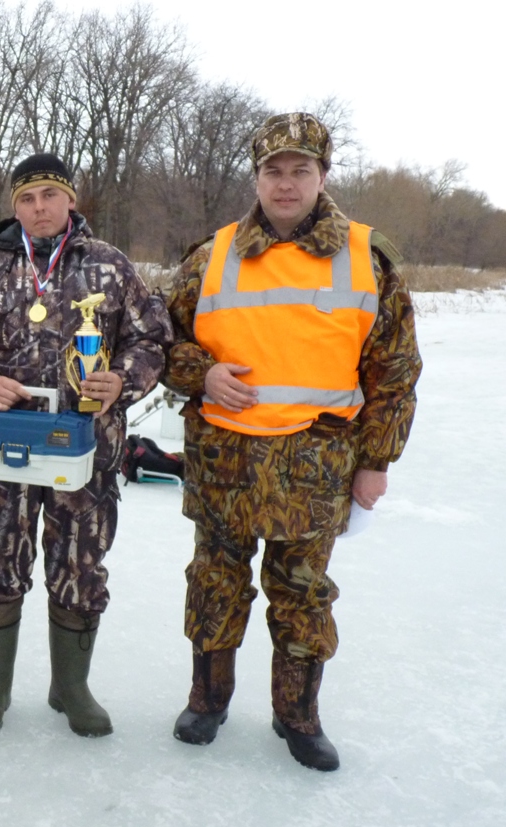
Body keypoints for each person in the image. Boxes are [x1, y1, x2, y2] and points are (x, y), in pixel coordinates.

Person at [162, 113, 422, 771]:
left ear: (322, 176)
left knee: (304, 592)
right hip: (224, 460)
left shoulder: (367, 256)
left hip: (317, 465)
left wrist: (378, 462)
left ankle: (297, 716)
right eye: (273, 171)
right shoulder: (210, 254)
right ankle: (208, 699)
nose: (285, 184)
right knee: (215, 583)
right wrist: (203, 373)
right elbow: (161, 344)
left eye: (300, 170)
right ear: (256, 177)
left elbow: (394, 372)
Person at [0, 153, 172, 737]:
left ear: (71, 200)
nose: (38, 208)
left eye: (48, 196)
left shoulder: (111, 268)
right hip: (6, 452)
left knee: (80, 566)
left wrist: (123, 379)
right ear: (14, 207)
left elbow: (152, 339)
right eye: (26, 199)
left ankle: (71, 687)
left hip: (84, 449)